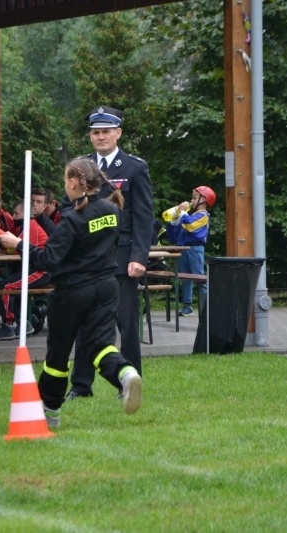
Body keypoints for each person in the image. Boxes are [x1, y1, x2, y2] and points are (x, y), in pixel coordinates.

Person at [0, 158, 143, 428]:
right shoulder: (112, 210)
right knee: (99, 344)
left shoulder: (73, 218)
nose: (65, 186)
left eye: (66, 181)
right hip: (107, 287)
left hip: (73, 292)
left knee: (58, 356)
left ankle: (50, 413)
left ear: (75, 183)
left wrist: (17, 244)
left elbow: (49, 259)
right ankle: (125, 372)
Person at [67, 105, 154, 400]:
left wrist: (139, 258)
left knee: (126, 324)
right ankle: (81, 386)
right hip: (88, 258)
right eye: (95, 132)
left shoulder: (134, 168)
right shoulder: (81, 168)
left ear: (118, 133)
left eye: (105, 131)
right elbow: (71, 211)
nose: (100, 136)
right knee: (82, 322)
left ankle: (127, 384)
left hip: (121, 258)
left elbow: (143, 217)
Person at [0, 200, 50, 341]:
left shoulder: (30, 227)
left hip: (41, 271)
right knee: (2, 286)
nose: (13, 217)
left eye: (16, 213)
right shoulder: (25, 226)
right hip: (34, 269)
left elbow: (16, 246)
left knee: (6, 288)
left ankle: (8, 325)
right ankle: (22, 324)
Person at [163, 185, 216, 317]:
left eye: (195, 198)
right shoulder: (189, 216)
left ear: (204, 200)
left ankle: (207, 305)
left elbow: (191, 226)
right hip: (183, 249)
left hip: (195, 249)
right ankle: (188, 305)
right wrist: (174, 221)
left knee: (199, 278)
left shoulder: (203, 216)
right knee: (185, 278)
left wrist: (182, 213)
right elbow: (175, 235)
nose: (191, 201)